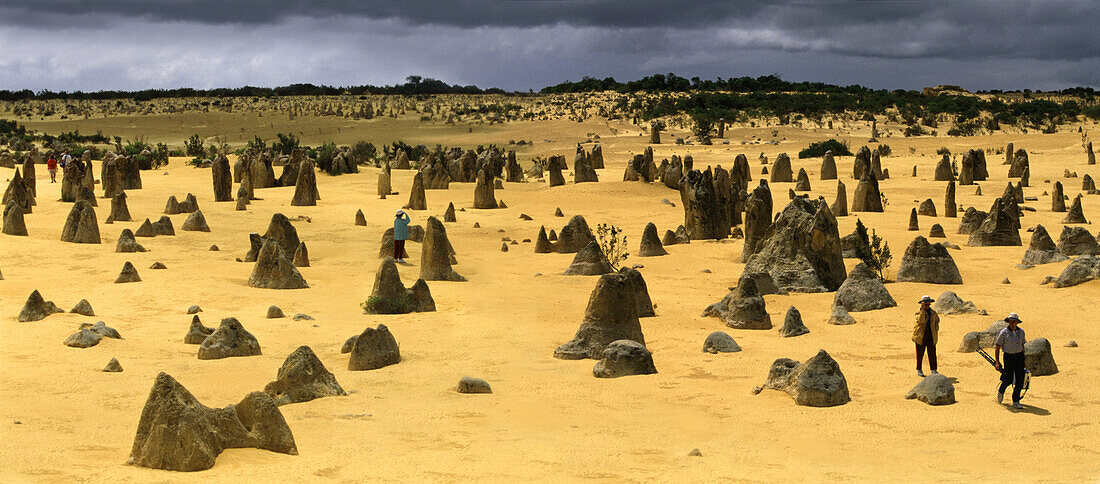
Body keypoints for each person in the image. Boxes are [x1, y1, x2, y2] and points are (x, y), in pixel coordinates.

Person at [995, 313, 1027, 409]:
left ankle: (1016, 400)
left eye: (1014, 322)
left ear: (1017, 322)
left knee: (1020, 380)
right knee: (1008, 379)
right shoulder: (1004, 332)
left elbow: (1023, 345)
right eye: (1010, 322)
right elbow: (997, 346)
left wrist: (1024, 358)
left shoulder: (1021, 332)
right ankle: (1001, 391)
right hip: (1009, 357)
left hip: (1019, 357)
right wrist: (997, 362)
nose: (1012, 323)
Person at [911, 295, 939, 377]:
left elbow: (937, 321)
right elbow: (921, 320)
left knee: (932, 352)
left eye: (928, 304)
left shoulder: (933, 312)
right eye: (926, 304)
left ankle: (934, 369)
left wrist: (936, 329)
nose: (927, 306)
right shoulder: (918, 312)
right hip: (921, 335)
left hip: (931, 334)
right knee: (920, 353)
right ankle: (919, 369)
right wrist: (923, 310)